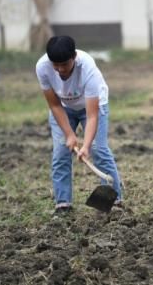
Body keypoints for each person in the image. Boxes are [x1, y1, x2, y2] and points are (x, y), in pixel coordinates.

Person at [35, 36, 123, 214]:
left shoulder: (87, 68)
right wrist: (69, 134)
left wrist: (86, 145)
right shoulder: (42, 67)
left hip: (92, 106)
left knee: (99, 148)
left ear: (74, 57)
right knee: (60, 152)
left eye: (64, 65)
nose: (60, 70)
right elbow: (54, 105)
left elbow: (91, 115)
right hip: (63, 107)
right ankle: (63, 204)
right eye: (55, 65)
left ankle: (114, 201)